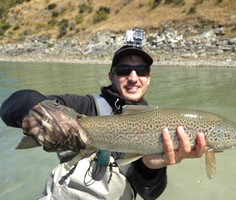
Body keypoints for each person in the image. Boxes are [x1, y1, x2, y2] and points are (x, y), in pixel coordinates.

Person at [0, 29, 206, 200]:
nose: (133, 78)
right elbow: (12, 104)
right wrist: (37, 111)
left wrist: (150, 167)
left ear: (149, 78)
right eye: (124, 70)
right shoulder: (84, 106)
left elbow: (148, 193)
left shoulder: (159, 125)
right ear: (111, 76)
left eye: (141, 70)